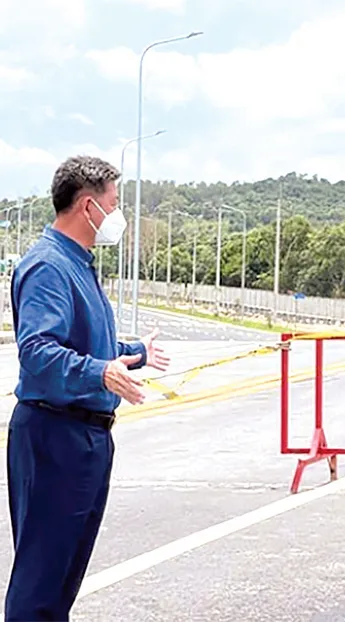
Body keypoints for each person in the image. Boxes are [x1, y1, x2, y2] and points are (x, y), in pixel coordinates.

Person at [5, 155, 170, 620]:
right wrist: (99, 372)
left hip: (86, 438)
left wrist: (133, 352)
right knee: (40, 581)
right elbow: (37, 351)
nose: (118, 215)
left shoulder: (78, 263)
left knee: (62, 581)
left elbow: (86, 343)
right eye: (114, 203)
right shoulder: (48, 268)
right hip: (55, 435)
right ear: (88, 206)